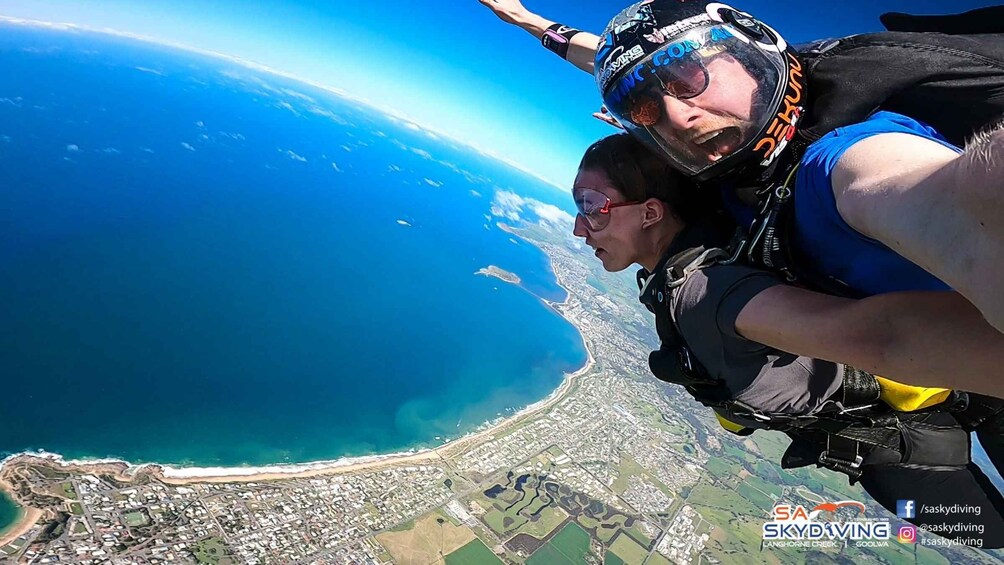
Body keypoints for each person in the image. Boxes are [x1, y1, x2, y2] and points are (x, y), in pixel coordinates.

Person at [573, 132, 1004, 547]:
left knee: (989, 532)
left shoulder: (705, 291)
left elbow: (881, 337)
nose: (580, 227)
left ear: (650, 212)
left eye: (592, 207)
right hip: (885, 439)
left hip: (923, 422)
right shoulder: (671, 277)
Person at [478, 0, 1004, 339]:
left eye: (688, 77)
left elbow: (942, 195)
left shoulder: (847, 156)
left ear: (751, 52)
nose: (677, 115)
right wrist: (529, 21)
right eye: (645, 111)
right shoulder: (739, 177)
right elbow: (627, 61)